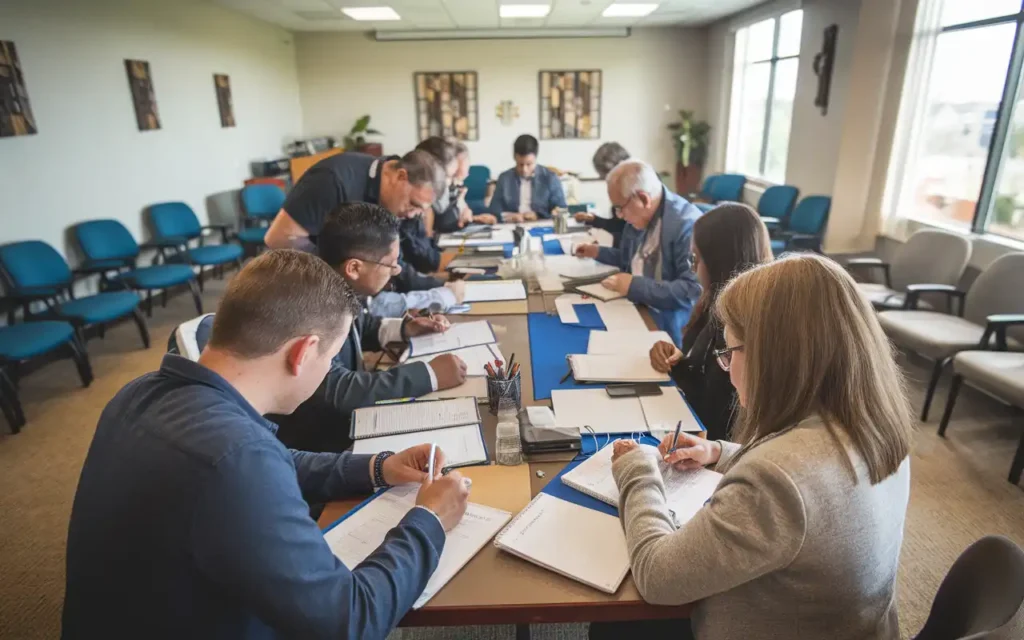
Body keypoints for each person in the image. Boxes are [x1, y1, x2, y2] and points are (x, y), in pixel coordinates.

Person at [64, 250, 473, 640]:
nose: (329, 368)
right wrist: (429, 519)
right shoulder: (235, 460)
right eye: (331, 358)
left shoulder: (141, 393)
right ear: (303, 352)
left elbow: (271, 461)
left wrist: (376, 467)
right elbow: (353, 621)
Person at [601, 254, 914, 640]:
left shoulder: (776, 480)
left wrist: (638, 469)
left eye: (730, 352)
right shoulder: (875, 426)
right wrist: (718, 452)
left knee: (615, 625)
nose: (727, 367)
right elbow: (814, 488)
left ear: (776, 358)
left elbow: (657, 576)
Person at [272, 202, 468, 453]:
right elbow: (338, 390)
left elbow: (361, 328)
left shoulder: (335, 284)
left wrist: (405, 329)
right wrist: (429, 375)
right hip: (319, 448)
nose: (396, 272)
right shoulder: (309, 308)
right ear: (354, 267)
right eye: (390, 264)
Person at [647, 204, 772, 440]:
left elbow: (717, 407)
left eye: (696, 258)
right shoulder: (714, 302)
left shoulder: (746, 328)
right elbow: (704, 376)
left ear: (718, 262)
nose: (693, 268)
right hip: (695, 433)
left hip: (712, 450)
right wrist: (678, 359)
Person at [263, 148, 447, 295]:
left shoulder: (395, 202)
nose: (413, 214)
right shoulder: (332, 179)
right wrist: (339, 269)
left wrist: (436, 284)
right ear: (401, 176)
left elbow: (389, 262)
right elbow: (278, 238)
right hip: (297, 285)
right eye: (413, 204)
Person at [575, 160, 702, 346]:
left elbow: (691, 291)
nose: (618, 215)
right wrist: (597, 252)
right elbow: (631, 260)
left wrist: (634, 286)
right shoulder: (641, 216)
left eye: (619, 207)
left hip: (668, 330)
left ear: (643, 199)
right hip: (634, 307)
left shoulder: (686, 226)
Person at [489, 134, 567, 222]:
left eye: (529, 164)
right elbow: (494, 210)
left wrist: (538, 215)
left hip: (541, 225)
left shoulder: (550, 177)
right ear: (515, 158)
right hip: (511, 225)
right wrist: (511, 216)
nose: (524, 169)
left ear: (536, 158)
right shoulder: (504, 178)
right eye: (520, 164)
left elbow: (561, 208)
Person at [434, 141, 497, 233]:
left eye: (462, 178)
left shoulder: (457, 188)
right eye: (454, 177)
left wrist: (474, 218)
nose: (457, 184)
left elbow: (463, 214)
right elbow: (443, 224)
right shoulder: (436, 192)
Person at [575, 142, 629, 247]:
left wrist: (607, 239)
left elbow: (634, 239)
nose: (608, 183)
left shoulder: (635, 191)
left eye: (608, 178)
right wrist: (594, 220)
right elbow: (618, 225)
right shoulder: (621, 189)